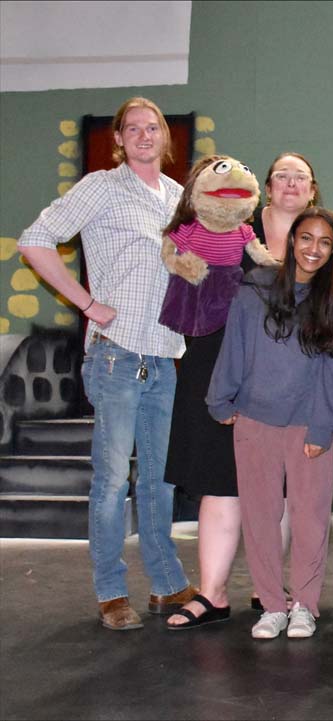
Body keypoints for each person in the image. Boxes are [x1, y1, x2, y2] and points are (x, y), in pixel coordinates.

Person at [18, 96, 195, 631]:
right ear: (118, 139)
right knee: (113, 479)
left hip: (165, 359)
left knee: (161, 481)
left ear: (166, 139)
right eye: (134, 128)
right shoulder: (99, 186)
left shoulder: (180, 198)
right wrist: (89, 305)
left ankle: (166, 585)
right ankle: (111, 591)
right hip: (116, 357)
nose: (145, 135)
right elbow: (34, 240)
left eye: (154, 127)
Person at [166, 151, 323, 628]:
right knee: (219, 483)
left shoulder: (324, 246)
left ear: (313, 190)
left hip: (290, 385)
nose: (291, 184)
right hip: (219, 370)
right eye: (282, 176)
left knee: (281, 488)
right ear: (266, 188)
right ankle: (211, 594)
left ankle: (269, 589)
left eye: (301, 177)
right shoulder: (228, 231)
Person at [206, 206, 333, 639]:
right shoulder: (254, 288)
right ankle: (272, 605)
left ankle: (305, 605)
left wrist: (323, 427)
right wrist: (220, 400)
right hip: (255, 419)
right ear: (291, 240)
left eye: (325, 243)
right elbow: (234, 347)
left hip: (308, 424)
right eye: (307, 238)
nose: (315, 249)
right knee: (260, 517)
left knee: (310, 519)